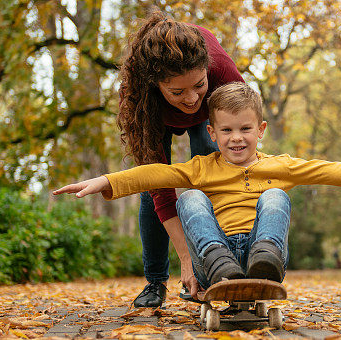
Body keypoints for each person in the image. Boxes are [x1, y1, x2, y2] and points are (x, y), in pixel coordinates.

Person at [53, 82, 341, 293]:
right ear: (212, 133)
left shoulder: (280, 165)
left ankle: (265, 258)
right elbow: (152, 174)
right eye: (227, 130)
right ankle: (218, 263)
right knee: (189, 196)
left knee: (275, 195)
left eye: (245, 129)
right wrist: (104, 181)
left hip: (261, 252)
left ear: (260, 130)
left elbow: (335, 171)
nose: (237, 139)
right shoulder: (201, 167)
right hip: (211, 257)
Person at [116, 12, 244, 307]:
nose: (190, 98)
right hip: (157, 118)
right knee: (154, 189)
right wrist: (185, 258)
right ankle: (155, 281)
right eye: (177, 91)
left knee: (212, 182)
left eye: (198, 84)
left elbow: (243, 124)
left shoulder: (221, 70)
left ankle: (220, 269)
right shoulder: (136, 97)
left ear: (207, 71)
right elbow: (162, 194)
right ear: (155, 84)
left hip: (210, 117)